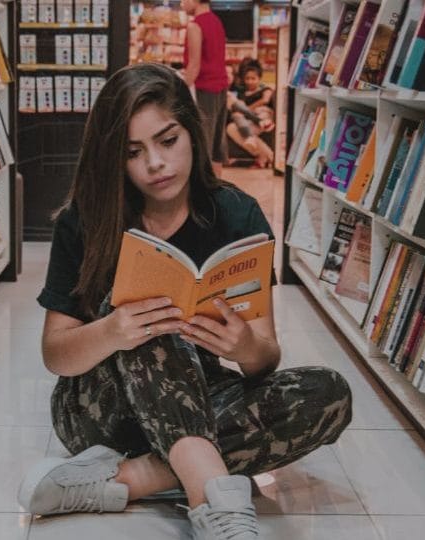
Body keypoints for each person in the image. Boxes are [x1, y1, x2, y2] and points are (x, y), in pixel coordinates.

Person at [18, 63, 352, 539]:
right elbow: (56, 354)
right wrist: (113, 330)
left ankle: (131, 479)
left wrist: (242, 346)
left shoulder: (237, 213)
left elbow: (265, 359)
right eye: (134, 152)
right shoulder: (82, 221)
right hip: (99, 413)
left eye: (167, 141)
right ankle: (214, 501)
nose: (155, 163)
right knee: (154, 317)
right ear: (113, 159)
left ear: (192, 133)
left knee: (329, 394)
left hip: (198, 400)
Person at [180, 0, 229, 178]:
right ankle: (215, 193)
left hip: (204, 91)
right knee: (216, 147)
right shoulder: (217, 21)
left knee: (203, 146)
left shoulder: (195, 26)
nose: (181, 4)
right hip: (221, 89)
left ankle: (202, 195)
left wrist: (177, 89)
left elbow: (194, 67)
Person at [226, 59, 275, 168]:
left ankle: (268, 157)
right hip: (248, 120)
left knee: (237, 121)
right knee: (231, 128)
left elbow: (265, 100)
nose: (250, 81)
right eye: (247, 78)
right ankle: (265, 155)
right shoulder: (241, 93)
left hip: (263, 115)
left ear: (259, 78)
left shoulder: (265, 89)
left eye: (253, 78)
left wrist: (247, 109)